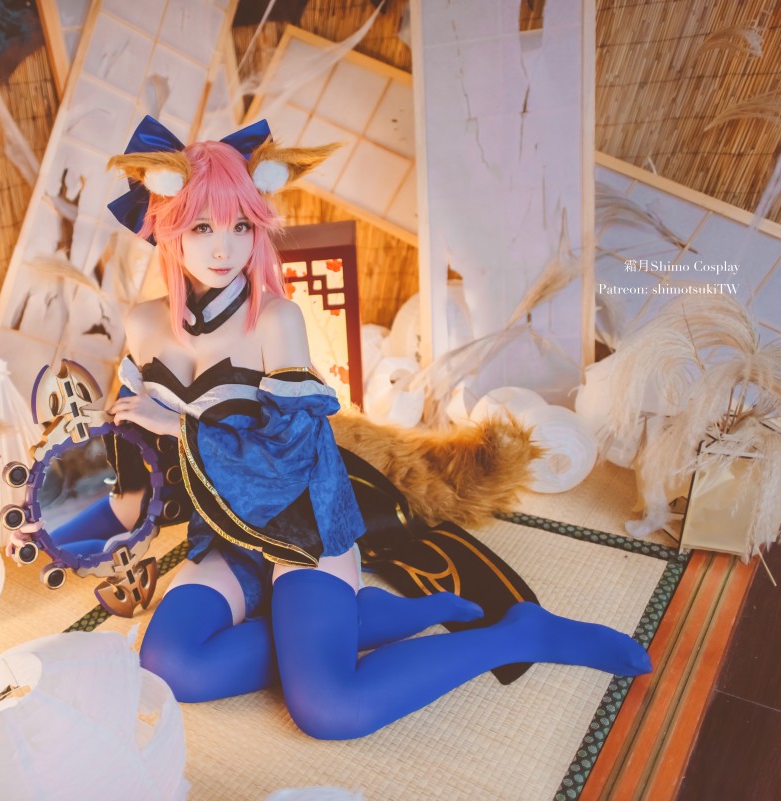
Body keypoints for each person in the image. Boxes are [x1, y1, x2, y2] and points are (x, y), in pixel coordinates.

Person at [32, 116, 652, 740]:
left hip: (303, 530)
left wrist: (178, 425)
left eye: (241, 226)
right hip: (226, 535)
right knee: (170, 666)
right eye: (202, 227)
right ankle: (357, 622)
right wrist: (62, 520)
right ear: (169, 227)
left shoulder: (275, 320)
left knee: (330, 709)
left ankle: (517, 633)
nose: (225, 249)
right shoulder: (143, 326)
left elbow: (292, 456)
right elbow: (131, 457)